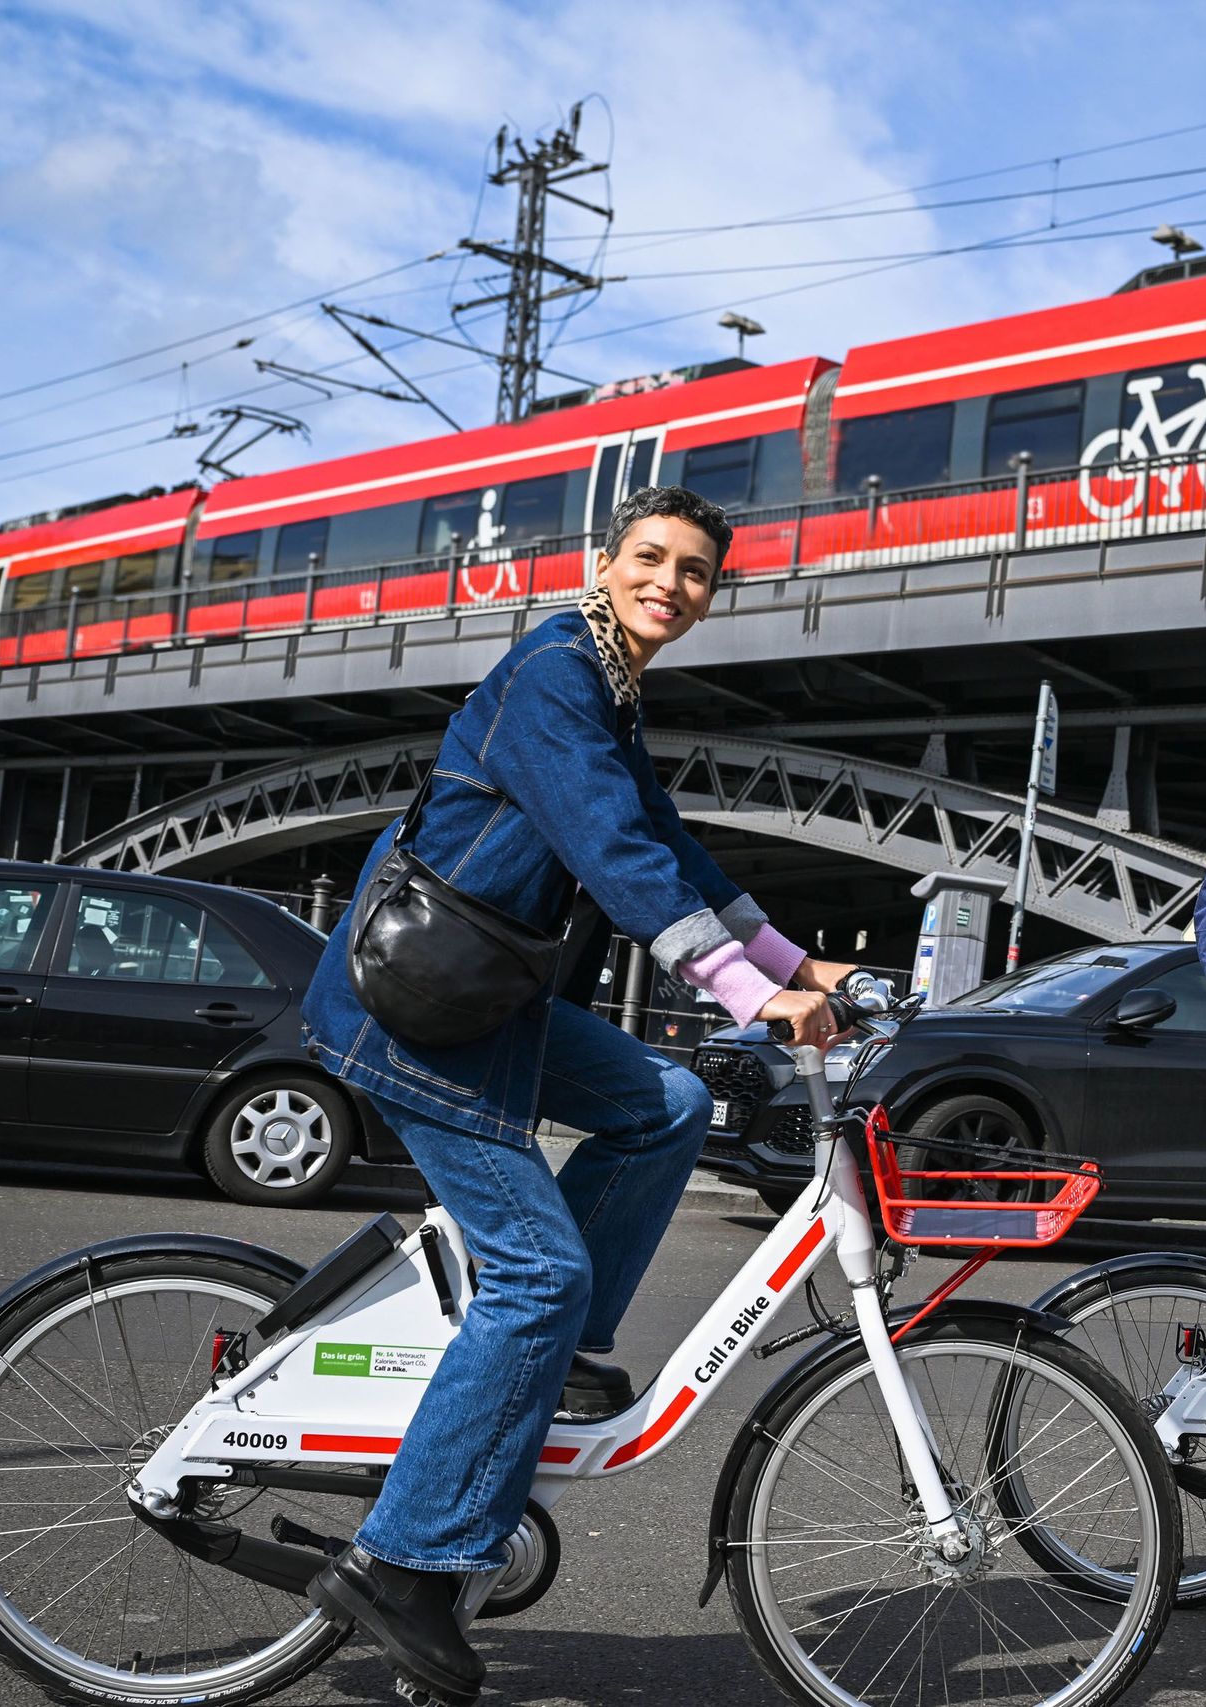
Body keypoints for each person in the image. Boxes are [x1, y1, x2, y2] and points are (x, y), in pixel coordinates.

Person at [300, 485, 856, 1702]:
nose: (671, 582)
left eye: (696, 571)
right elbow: (610, 851)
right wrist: (739, 992)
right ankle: (401, 1563)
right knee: (535, 1274)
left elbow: (672, 848)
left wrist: (793, 962)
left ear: (712, 596)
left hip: (482, 997)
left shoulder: (610, 685)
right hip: (413, 1009)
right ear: (604, 564)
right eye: (651, 558)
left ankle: (536, 1368)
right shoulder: (556, 671)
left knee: (663, 1104)